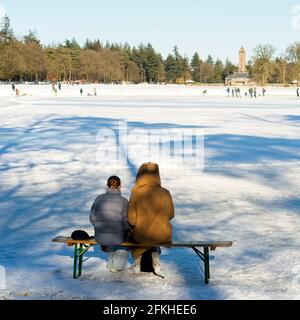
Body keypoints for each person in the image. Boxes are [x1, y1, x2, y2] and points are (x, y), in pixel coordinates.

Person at [128, 163, 174, 275]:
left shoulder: (136, 193)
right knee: (156, 233)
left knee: (135, 235)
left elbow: (131, 220)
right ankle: (156, 264)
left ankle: (137, 264)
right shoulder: (165, 193)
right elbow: (171, 214)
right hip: (162, 234)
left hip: (141, 235)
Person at [90, 176, 131, 273]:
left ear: (107, 185)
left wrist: (99, 225)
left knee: (113, 234)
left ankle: (111, 261)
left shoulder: (99, 198)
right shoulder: (124, 201)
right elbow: (126, 221)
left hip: (100, 236)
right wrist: (128, 228)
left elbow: (92, 218)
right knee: (125, 237)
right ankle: (117, 265)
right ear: (120, 186)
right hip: (117, 237)